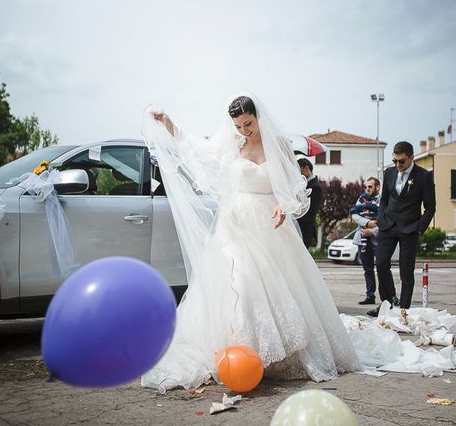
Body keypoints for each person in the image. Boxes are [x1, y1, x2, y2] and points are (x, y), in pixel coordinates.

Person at [140, 93, 359, 391]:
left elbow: (296, 185)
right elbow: (199, 149)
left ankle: (276, 357)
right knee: (239, 283)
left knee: (280, 287)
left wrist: (284, 204)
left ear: (258, 117)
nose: (244, 131)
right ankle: (239, 352)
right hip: (235, 225)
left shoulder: (278, 144)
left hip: (269, 225)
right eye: (239, 126)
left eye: (248, 124)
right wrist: (169, 124)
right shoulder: (232, 143)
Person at [367, 141, 436, 317]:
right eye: (395, 161)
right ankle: (386, 305)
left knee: (406, 270)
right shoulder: (389, 172)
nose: (398, 165)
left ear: (411, 158)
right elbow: (384, 199)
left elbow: (430, 207)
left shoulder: (424, 176)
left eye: (402, 161)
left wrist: (420, 228)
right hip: (387, 226)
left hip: (409, 228)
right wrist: (381, 218)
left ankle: (404, 309)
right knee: (381, 264)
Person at [351, 177, 397, 305]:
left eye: (370, 187)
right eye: (366, 187)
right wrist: (367, 222)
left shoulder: (384, 200)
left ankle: (392, 295)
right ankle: (370, 295)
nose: (367, 189)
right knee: (368, 269)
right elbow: (354, 215)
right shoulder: (361, 200)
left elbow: (387, 220)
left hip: (379, 239)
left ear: (377, 187)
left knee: (384, 268)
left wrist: (373, 231)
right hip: (362, 239)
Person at [296, 158, 322, 248]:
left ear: (306, 169)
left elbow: (310, 212)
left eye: (298, 171)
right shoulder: (304, 185)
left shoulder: (315, 187)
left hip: (305, 230)